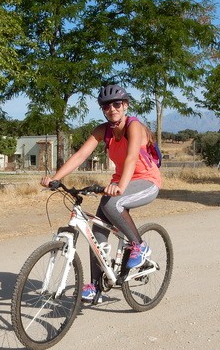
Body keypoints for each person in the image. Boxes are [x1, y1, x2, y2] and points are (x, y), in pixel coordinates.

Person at [40, 84, 162, 302]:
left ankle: (139, 246)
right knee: (96, 228)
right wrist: (56, 178)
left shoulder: (134, 126)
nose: (112, 109)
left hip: (146, 181)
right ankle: (96, 286)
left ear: (125, 105)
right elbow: (80, 155)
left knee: (111, 204)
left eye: (117, 104)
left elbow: (131, 158)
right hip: (120, 184)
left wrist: (120, 186)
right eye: (106, 106)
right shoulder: (103, 130)